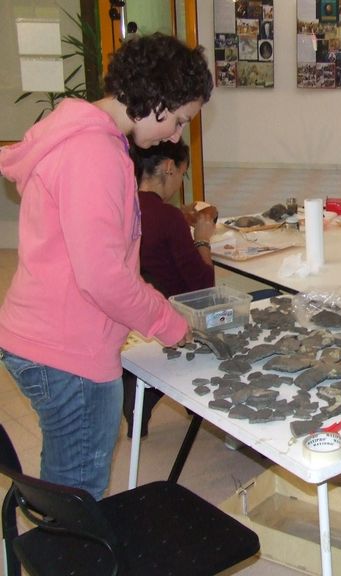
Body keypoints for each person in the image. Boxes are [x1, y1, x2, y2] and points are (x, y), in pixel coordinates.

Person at [0, 33, 213, 499]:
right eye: (179, 120)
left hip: (43, 334)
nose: (176, 136)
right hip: (67, 349)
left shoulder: (84, 135)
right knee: (78, 496)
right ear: (156, 99)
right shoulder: (93, 152)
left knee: (64, 478)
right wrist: (169, 323)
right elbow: (103, 277)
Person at [122, 139, 216, 438]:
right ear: (168, 167)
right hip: (174, 315)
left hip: (133, 314)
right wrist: (202, 238)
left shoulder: (122, 204)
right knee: (257, 299)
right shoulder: (168, 217)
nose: (179, 182)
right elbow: (204, 286)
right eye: (182, 174)